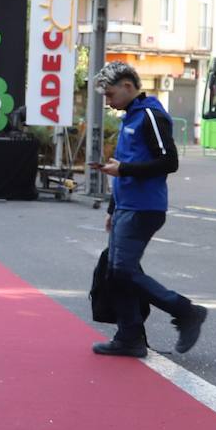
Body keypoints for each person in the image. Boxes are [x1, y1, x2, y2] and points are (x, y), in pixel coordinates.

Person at [89, 61, 208, 358]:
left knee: (122, 272)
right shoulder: (129, 117)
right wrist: (112, 208)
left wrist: (124, 170)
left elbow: (169, 162)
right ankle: (130, 337)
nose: (108, 100)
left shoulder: (151, 116)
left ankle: (185, 310)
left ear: (128, 86)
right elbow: (123, 164)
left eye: (110, 93)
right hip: (127, 207)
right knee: (118, 274)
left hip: (144, 208)